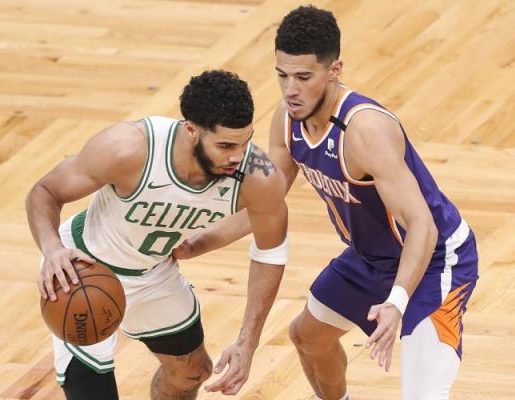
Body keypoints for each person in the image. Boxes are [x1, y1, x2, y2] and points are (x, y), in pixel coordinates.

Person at [175, 6, 479, 400]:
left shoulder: (364, 130)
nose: (290, 90)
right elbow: (263, 206)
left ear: (334, 70)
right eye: (282, 75)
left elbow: (423, 224)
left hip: (435, 261)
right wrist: (195, 243)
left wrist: (397, 301)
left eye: (304, 77)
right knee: (308, 337)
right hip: (371, 258)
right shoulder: (286, 120)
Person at [25, 70, 288, 400]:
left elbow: (270, 251)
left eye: (245, 142)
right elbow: (45, 191)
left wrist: (248, 343)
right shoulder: (128, 148)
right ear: (191, 130)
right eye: (225, 145)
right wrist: (52, 249)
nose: (238, 156)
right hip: (85, 270)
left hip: (153, 273)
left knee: (193, 372)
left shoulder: (257, 175)